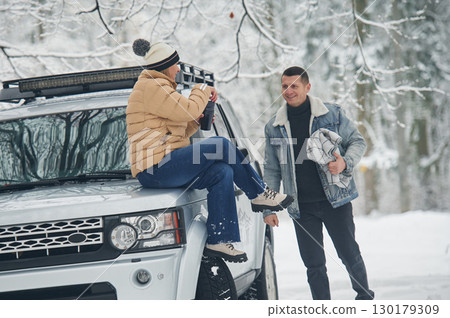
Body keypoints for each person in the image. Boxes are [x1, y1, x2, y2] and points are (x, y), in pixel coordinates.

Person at [126, 39, 294, 263]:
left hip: (162, 164)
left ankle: (219, 239)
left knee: (222, 171)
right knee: (220, 145)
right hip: (154, 167)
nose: (178, 69)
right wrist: (201, 89)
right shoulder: (152, 86)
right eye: (176, 64)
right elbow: (188, 108)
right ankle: (259, 194)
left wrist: (197, 122)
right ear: (165, 65)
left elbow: (179, 129)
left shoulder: (158, 88)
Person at [263, 66, 374, 300]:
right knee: (313, 264)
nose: (289, 91)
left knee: (349, 254)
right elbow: (272, 169)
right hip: (301, 207)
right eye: (284, 86)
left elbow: (357, 141)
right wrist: (269, 206)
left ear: (307, 87)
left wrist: (345, 162)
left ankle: (365, 299)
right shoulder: (274, 127)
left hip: (335, 200)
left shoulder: (332, 115)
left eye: (294, 86)